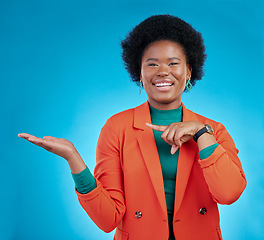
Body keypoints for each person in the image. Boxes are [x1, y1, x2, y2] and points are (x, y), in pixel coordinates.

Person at [18, 14, 246, 240]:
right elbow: (108, 219)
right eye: (152, 64)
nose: (163, 71)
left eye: (173, 63)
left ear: (188, 71)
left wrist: (200, 133)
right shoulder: (117, 128)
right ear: (139, 72)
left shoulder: (213, 129)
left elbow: (228, 193)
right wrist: (73, 158)